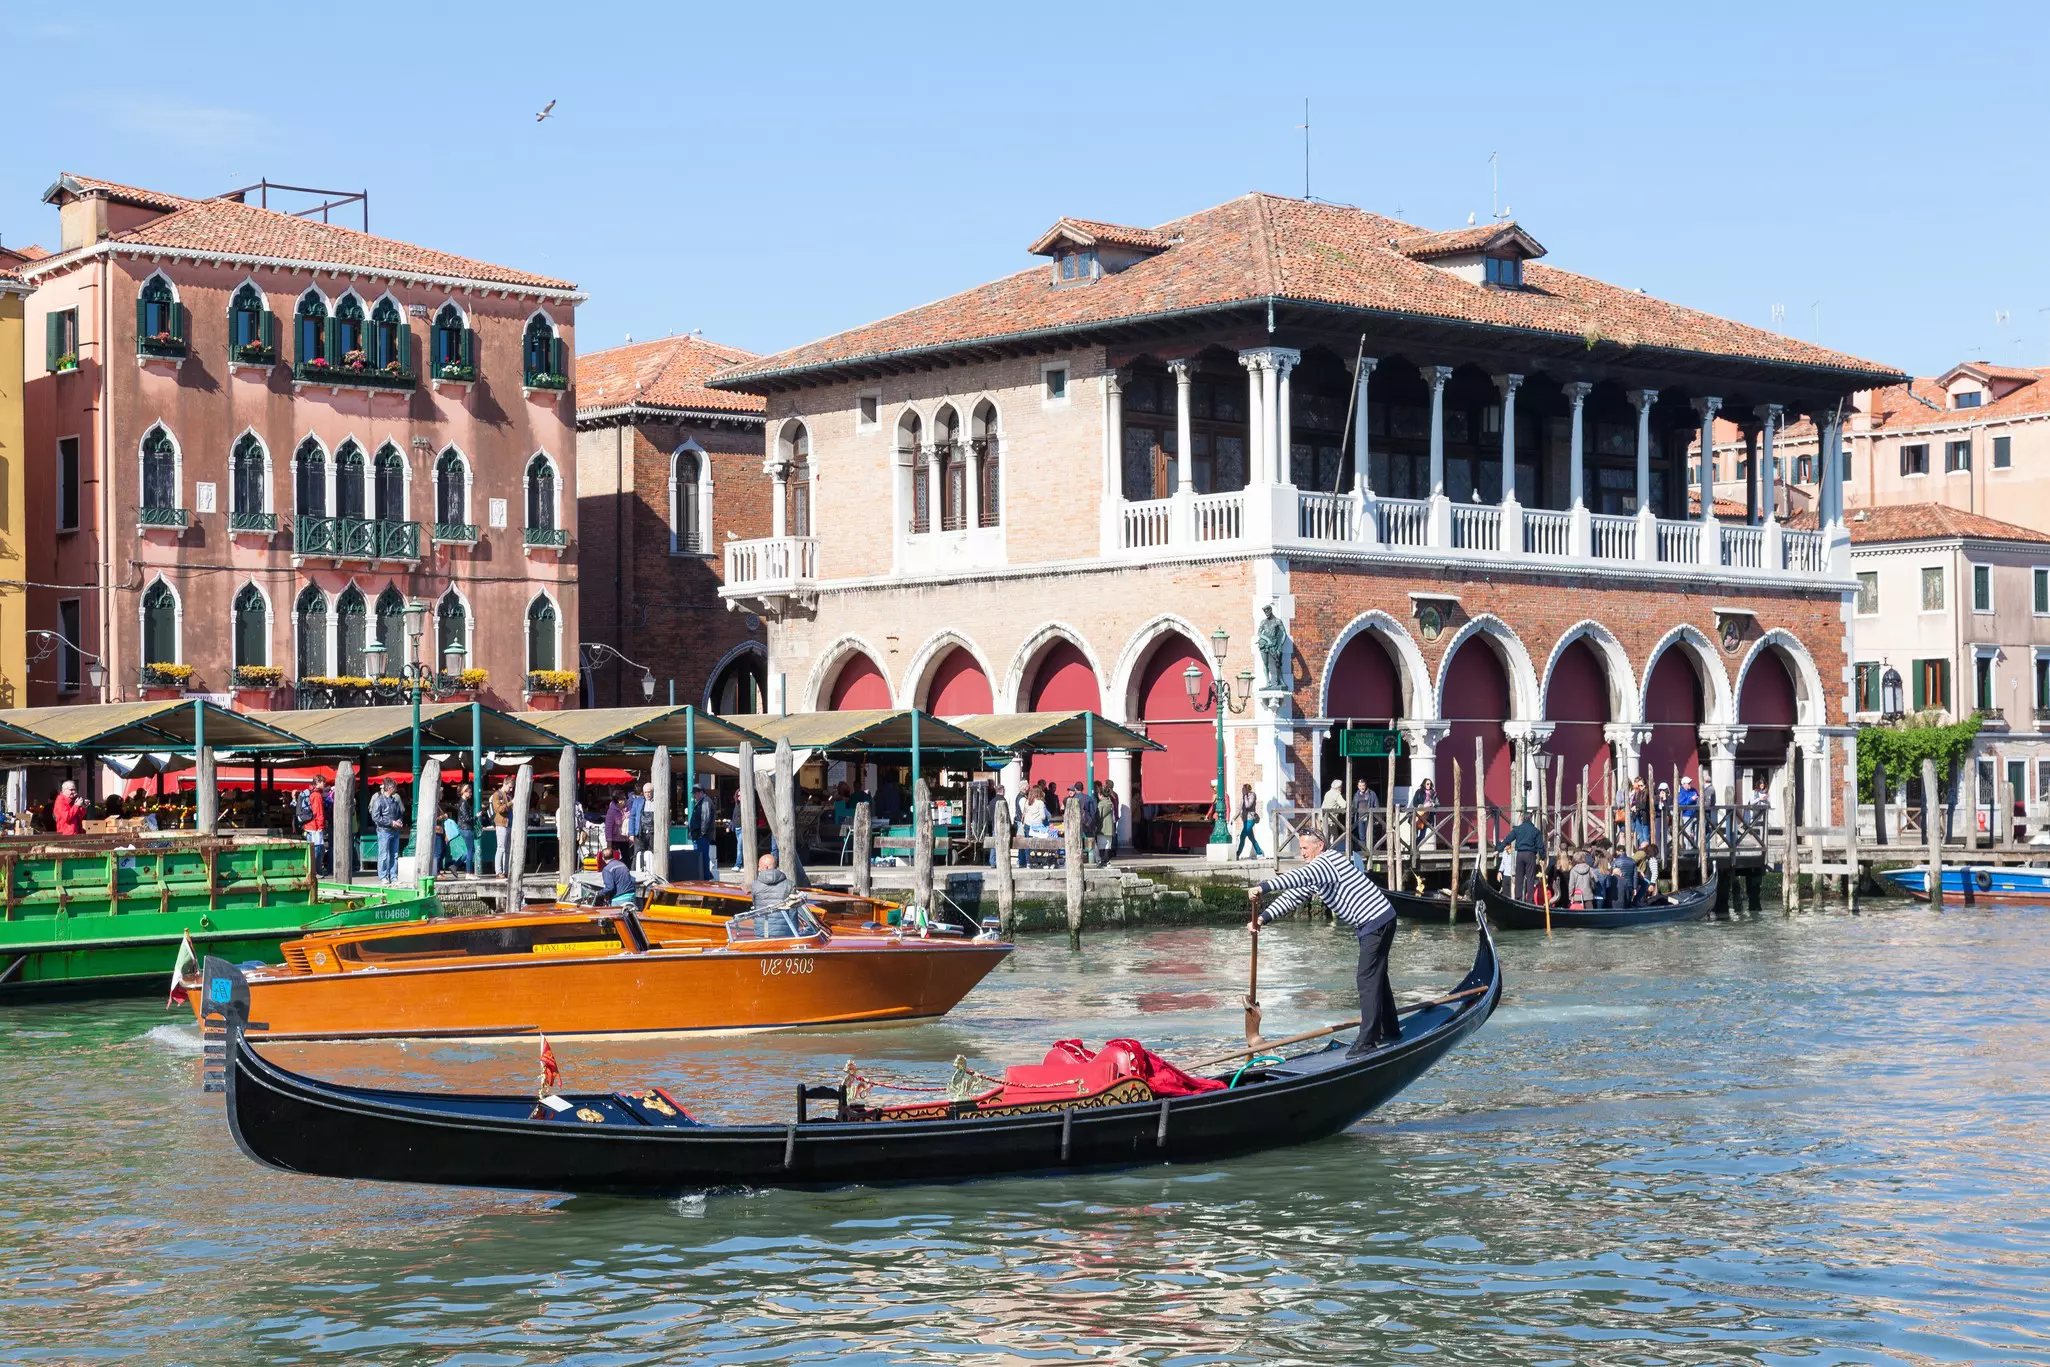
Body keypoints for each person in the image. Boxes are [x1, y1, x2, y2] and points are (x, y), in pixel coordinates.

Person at [1247, 825, 1399, 1056]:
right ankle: (1390, 1029)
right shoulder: (1318, 871)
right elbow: (1293, 895)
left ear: (1320, 846)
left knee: (1366, 979)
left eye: (1305, 848)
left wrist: (1264, 887)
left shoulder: (1327, 862)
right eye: (1300, 848)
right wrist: (1263, 918)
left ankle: (1367, 1041)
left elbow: (1297, 877)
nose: (1302, 853)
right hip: (1376, 922)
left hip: (1376, 921)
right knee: (1376, 977)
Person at [368, 778, 406, 886]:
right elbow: (375, 817)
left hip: (394, 831)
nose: (396, 790)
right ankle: (383, 877)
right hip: (384, 831)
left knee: (394, 855)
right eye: (395, 787)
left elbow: (399, 814)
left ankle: (393, 876)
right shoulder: (378, 801)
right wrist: (391, 822)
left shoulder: (394, 801)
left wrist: (399, 821)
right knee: (383, 855)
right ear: (390, 788)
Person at [1506, 812, 1544, 901]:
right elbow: (1540, 846)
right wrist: (1543, 857)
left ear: (1523, 819)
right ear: (1531, 819)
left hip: (1520, 854)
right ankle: (1530, 900)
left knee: (1519, 878)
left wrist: (1499, 848)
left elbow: (1508, 839)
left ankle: (1518, 899)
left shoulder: (1518, 829)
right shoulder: (1535, 831)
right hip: (1530, 855)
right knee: (1530, 878)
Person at [301, 775, 329, 877]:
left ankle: (313, 870)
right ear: (318, 782)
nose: (324, 784)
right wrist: (321, 826)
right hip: (315, 827)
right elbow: (318, 813)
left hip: (309, 825)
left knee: (313, 849)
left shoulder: (310, 793)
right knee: (318, 850)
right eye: (323, 782)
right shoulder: (316, 795)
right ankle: (315, 871)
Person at [490, 775, 516, 876]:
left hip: (508, 823)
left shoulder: (508, 796)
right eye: (510, 787)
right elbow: (499, 809)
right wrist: (510, 803)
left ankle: (506, 871)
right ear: (504, 784)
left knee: (508, 849)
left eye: (512, 787)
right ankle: (498, 871)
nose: (511, 789)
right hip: (501, 823)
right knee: (501, 848)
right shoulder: (497, 795)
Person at [1234, 782, 1263, 860]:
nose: (1242, 791)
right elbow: (1240, 808)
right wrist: (1234, 818)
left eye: (1243, 789)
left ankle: (1237, 854)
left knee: (1242, 836)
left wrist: (1245, 795)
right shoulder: (1244, 797)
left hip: (1250, 819)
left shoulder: (1252, 795)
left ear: (1247, 789)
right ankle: (1259, 853)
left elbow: (1247, 806)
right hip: (1245, 820)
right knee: (1252, 838)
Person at [1095, 780, 1119, 868]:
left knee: (1101, 844)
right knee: (1108, 844)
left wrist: (1095, 823)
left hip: (1102, 827)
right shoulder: (1110, 803)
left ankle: (1103, 861)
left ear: (1101, 795)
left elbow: (1099, 816)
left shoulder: (1101, 804)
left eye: (1098, 794)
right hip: (1110, 827)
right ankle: (1107, 860)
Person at [1611, 843, 1639, 908]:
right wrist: (1635, 887)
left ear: (1617, 851)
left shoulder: (1615, 862)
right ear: (1625, 851)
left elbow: (1612, 874)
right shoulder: (1632, 861)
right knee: (1628, 904)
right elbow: (1635, 876)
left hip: (1618, 885)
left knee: (1619, 904)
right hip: (1629, 885)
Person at [1628, 777, 1650, 846]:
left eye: (1641, 785)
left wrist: (1636, 807)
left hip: (1645, 816)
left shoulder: (1647, 793)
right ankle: (1642, 852)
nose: (1640, 787)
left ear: (1645, 785)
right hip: (1638, 816)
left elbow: (1645, 805)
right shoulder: (1638, 793)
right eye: (1639, 785)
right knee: (1640, 835)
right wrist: (1633, 807)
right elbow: (1634, 803)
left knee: (1645, 835)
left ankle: (1647, 853)